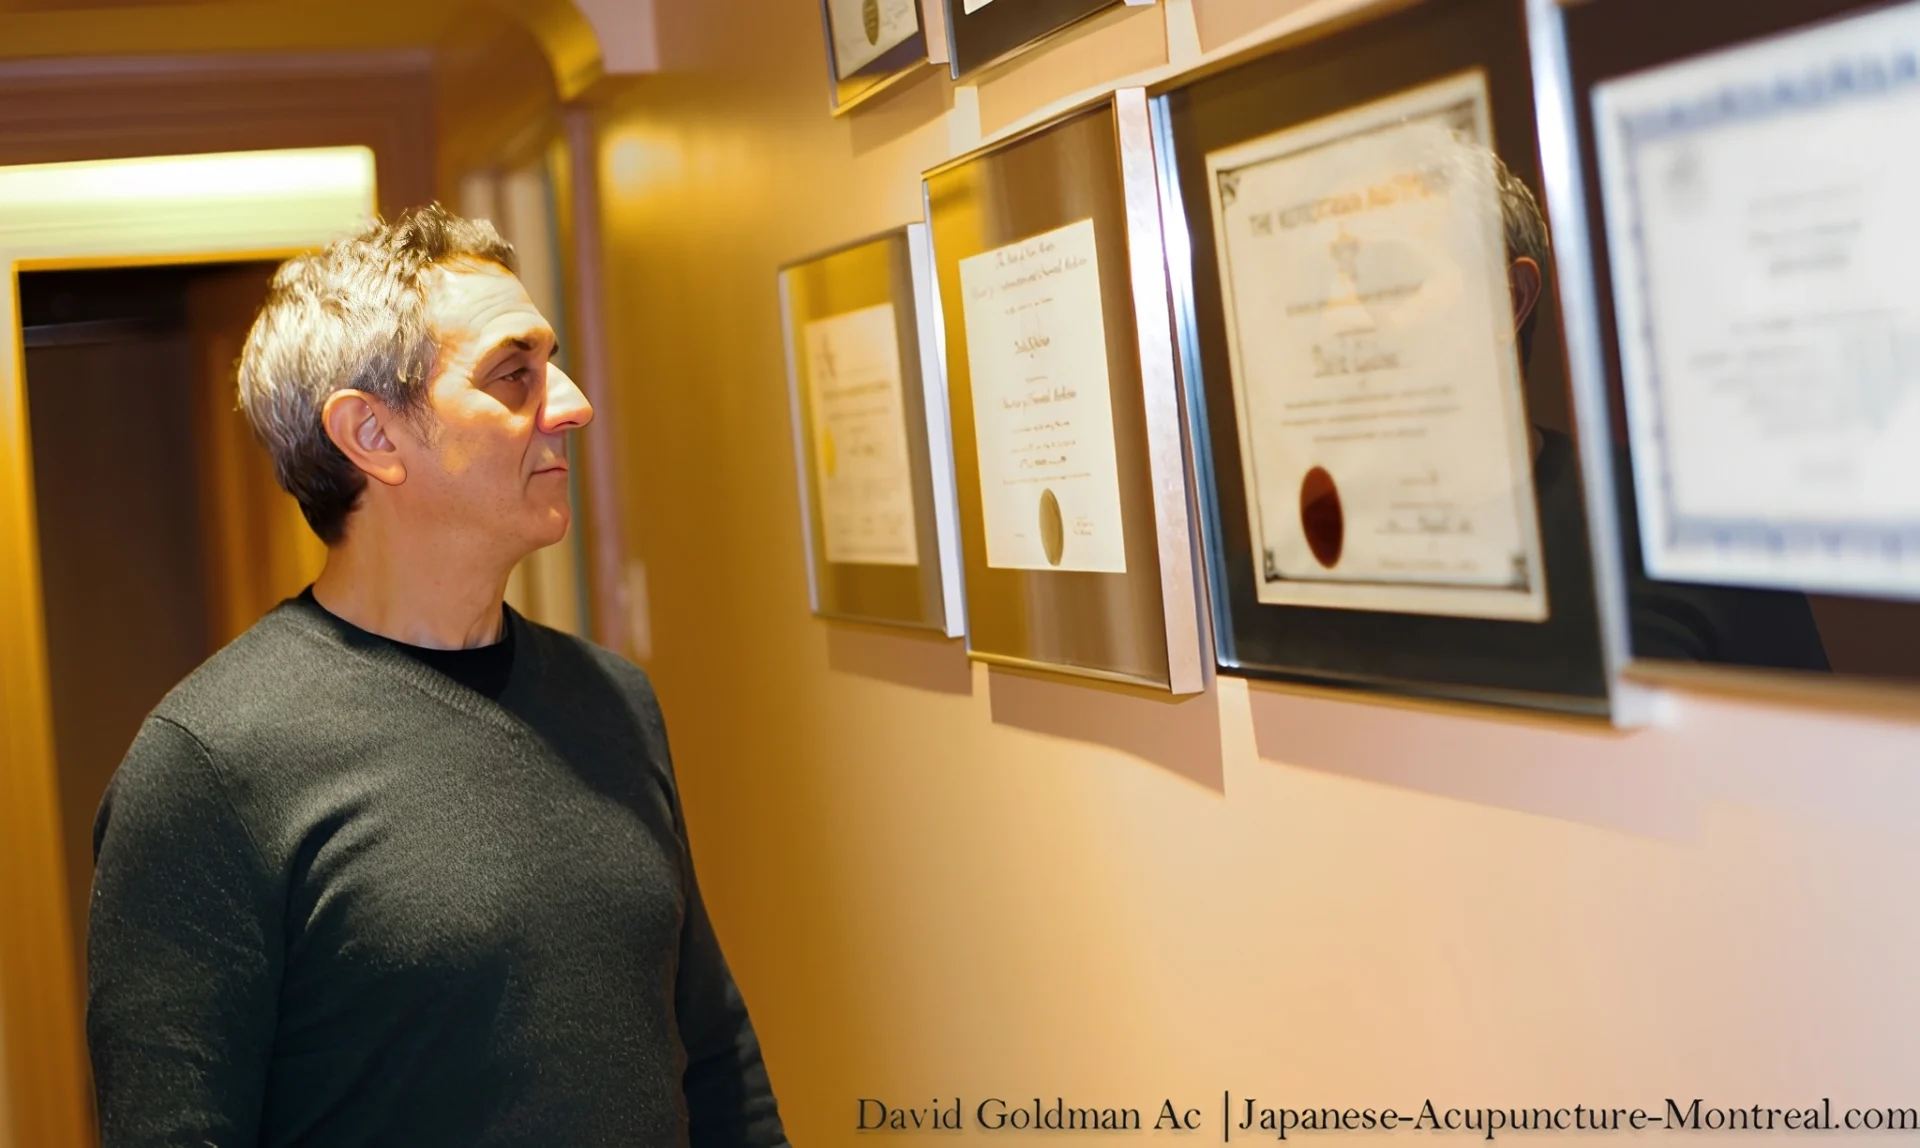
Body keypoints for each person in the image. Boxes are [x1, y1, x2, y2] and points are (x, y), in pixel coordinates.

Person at [86, 205, 789, 1148]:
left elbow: (716, 1062)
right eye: (515, 375)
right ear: (372, 436)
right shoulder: (210, 765)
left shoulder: (614, 700)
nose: (573, 403)